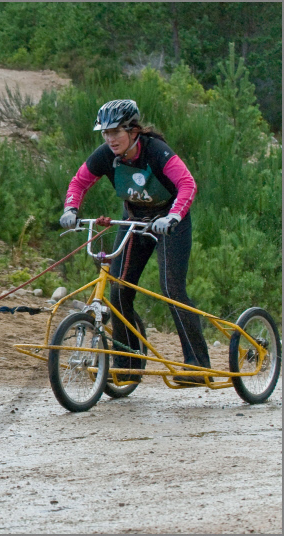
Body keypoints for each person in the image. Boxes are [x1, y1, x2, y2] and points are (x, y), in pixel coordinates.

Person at [60, 99, 210, 384]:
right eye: (105, 133)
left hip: (170, 224)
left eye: (115, 132)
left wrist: (174, 217)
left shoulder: (156, 151)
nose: (109, 139)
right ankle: (127, 366)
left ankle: (197, 363)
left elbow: (187, 184)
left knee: (171, 289)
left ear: (133, 130)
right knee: (117, 292)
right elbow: (79, 182)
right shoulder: (105, 155)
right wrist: (71, 209)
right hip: (134, 221)